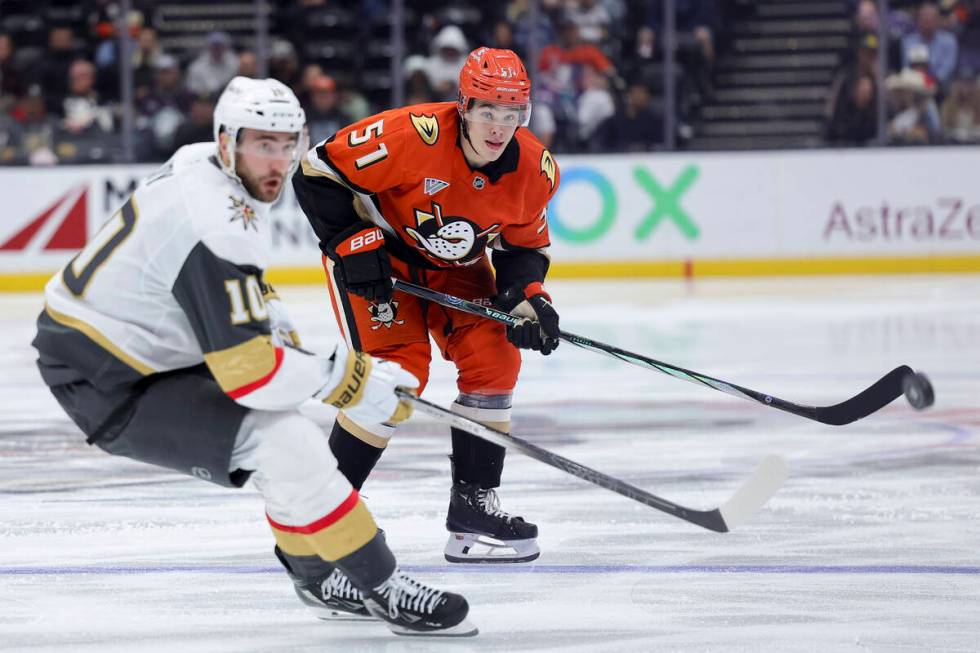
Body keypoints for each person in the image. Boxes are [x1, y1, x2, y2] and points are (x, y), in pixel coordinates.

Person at [31, 76, 476, 638]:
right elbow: (249, 373)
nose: (279, 160)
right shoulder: (215, 220)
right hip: (109, 375)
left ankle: (316, 576)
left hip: (138, 346)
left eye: (288, 144)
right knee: (282, 440)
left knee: (297, 437)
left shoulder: (206, 168)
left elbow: (236, 293)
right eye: (262, 143)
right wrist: (349, 378)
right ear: (227, 141)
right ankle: (382, 588)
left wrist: (282, 332)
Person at [293, 47, 561, 570]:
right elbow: (315, 174)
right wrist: (353, 242)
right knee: (396, 375)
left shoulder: (535, 168)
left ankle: (473, 510)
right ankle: (325, 516)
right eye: (488, 111)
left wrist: (530, 300)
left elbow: (523, 249)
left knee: (496, 360)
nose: (499, 126)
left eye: (513, 114)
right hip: (380, 262)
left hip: (458, 269)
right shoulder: (409, 136)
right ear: (463, 105)